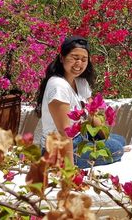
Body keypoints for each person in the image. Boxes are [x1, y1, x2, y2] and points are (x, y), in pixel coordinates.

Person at [35, 36, 126, 168]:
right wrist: (69, 171)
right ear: (61, 58)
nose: (79, 63)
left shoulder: (81, 82)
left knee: (120, 141)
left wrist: (104, 139)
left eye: (84, 59)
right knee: (117, 148)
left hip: (81, 136)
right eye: (74, 57)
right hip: (57, 149)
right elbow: (64, 133)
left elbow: (93, 119)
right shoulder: (58, 86)